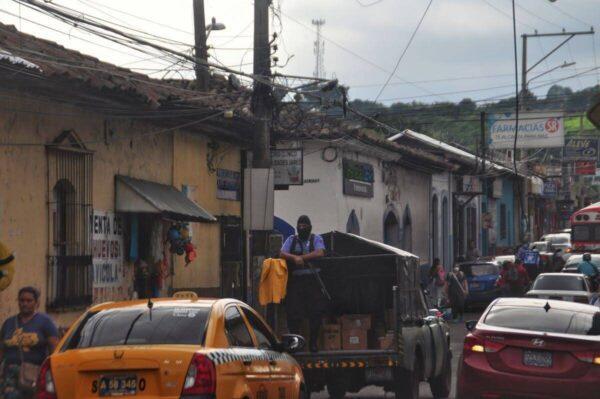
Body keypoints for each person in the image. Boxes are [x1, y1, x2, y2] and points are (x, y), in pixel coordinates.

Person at [0, 287, 59, 399]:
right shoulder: (8, 323)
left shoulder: (46, 323)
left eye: (29, 301)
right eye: (22, 300)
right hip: (10, 377)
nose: (24, 304)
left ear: (36, 303)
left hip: (34, 376)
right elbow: (1, 350)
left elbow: (54, 351)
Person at [280, 215, 326, 352]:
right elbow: (282, 253)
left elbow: (320, 252)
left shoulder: (316, 239)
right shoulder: (291, 240)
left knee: (316, 313)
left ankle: (313, 343)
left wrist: (302, 258)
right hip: (296, 283)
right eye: (300, 226)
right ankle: (295, 344)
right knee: (294, 314)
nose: (302, 228)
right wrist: (294, 258)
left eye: (305, 226)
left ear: (310, 227)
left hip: (313, 281)